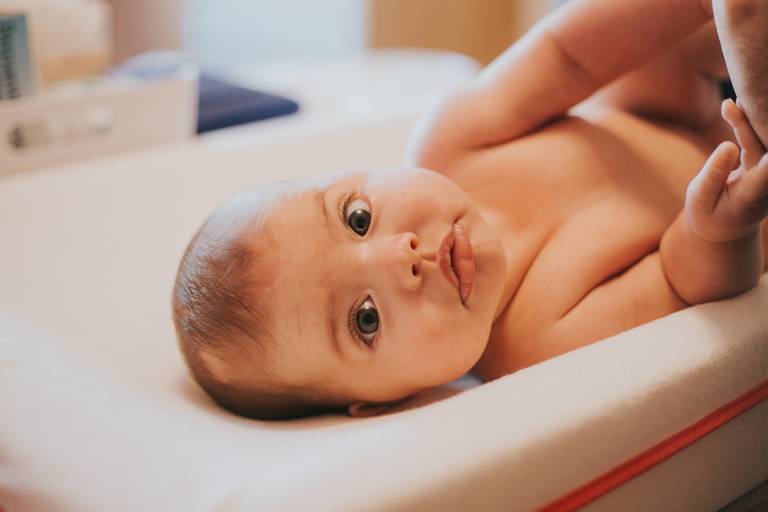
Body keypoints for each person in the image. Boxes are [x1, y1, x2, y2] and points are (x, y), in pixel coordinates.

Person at [172, 0, 768, 419]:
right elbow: (678, 283)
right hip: (739, 190)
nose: (400, 258)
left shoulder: (453, 142)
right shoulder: (536, 345)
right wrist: (715, 230)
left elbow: (568, 56)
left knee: (637, 53)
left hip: (670, 109)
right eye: (366, 319)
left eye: (358, 220)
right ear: (386, 402)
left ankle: (722, 14)